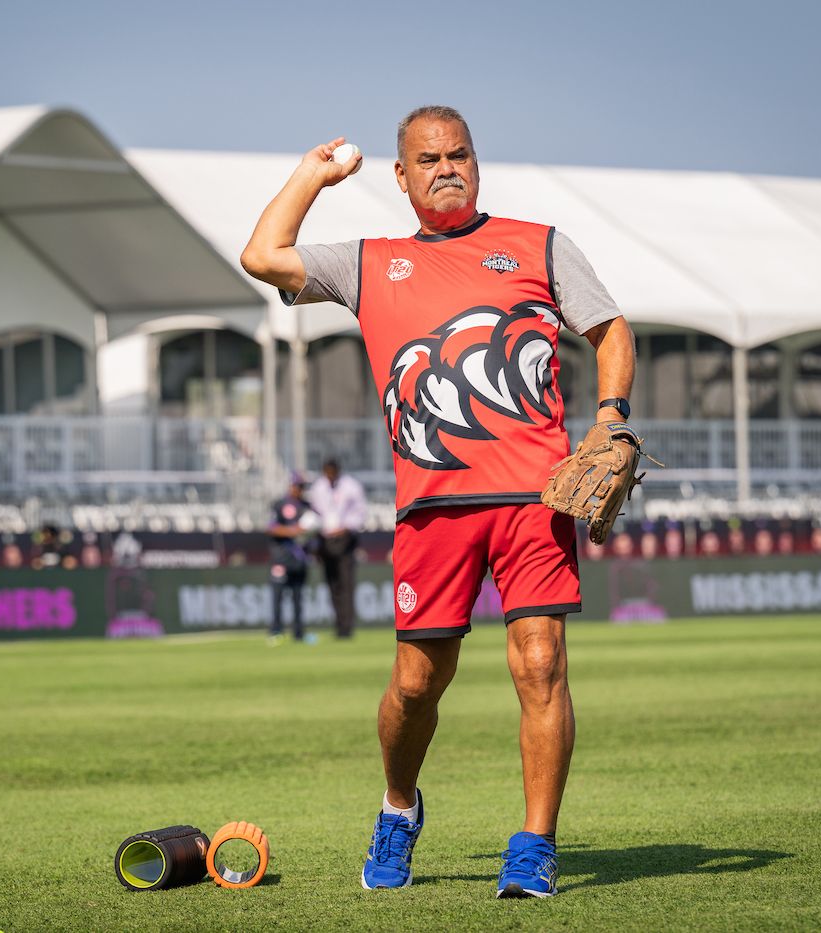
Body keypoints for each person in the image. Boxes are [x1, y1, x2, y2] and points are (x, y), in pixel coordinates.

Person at [241, 105, 637, 898]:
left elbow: (611, 329)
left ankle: (534, 844)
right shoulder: (369, 262)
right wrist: (313, 175)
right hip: (432, 510)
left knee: (541, 665)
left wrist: (610, 415)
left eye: (460, 154)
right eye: (428, 159)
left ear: (477, 162)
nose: (447, 167)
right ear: (402, 175)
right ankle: (398, 807)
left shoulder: (540, 244)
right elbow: (262, 254)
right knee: (417, 684)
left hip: (534, 501)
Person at [308, 459, 367, 638]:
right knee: (332, 584)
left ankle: (347, 626)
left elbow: (360, 512)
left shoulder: (351, 486)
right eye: (327, 474)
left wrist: (345, 528)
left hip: (345, 538)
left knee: (346, 584)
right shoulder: (318, 487)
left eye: (332, 473)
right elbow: (314, 512)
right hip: (325, 539)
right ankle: (338, 624)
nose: (330, 477)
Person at [267, 471, 316, 643]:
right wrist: (294, 531)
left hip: (300, 559)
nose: (299, 490)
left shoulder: (307, 506)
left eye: (302, 486)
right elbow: (272, 528)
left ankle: (299, 633)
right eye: (297, 486)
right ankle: (275, 631)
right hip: (281, 558)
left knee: (298, 598)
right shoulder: (280, 504)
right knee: (278, 597)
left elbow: (314, 529)